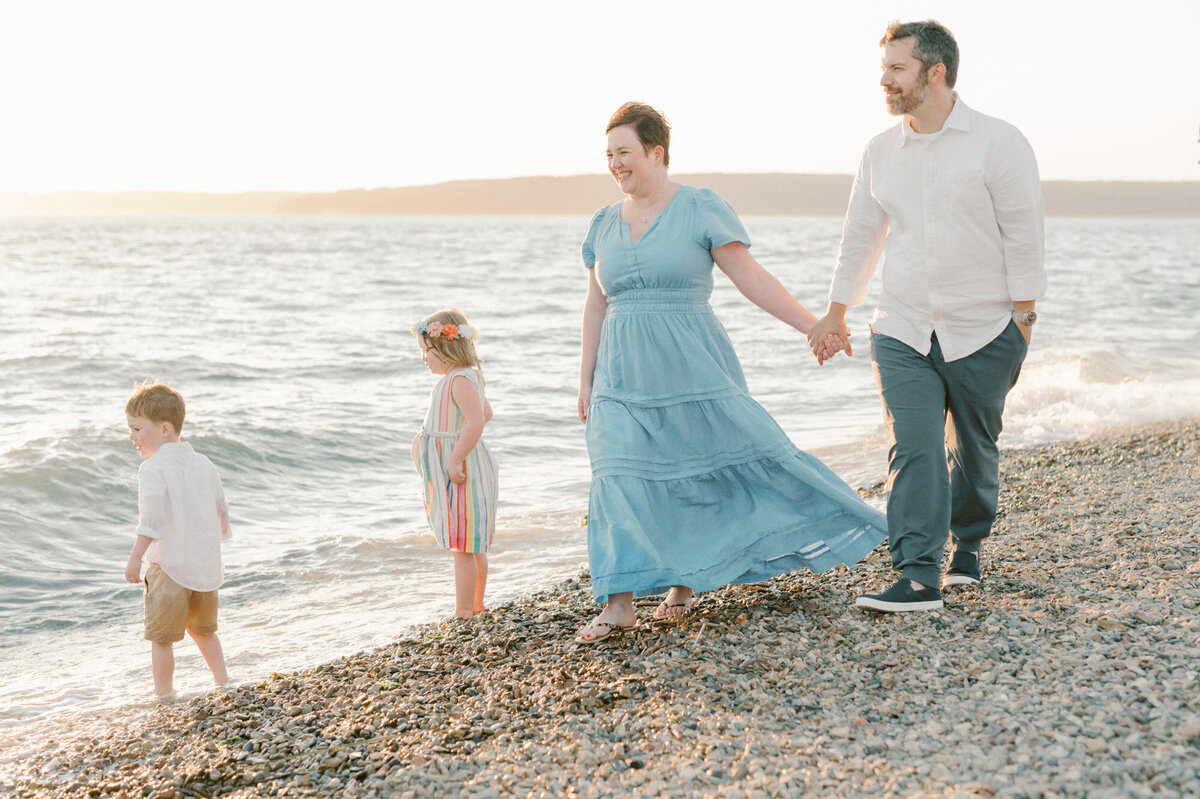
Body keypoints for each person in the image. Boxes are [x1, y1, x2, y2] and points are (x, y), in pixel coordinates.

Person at [575, 101, 888, 644]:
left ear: (657, 153)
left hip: (692, 364)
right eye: (608, 155)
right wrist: (585, 380)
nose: (615, 164)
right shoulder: (603, 224)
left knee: (705, 468)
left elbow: (752, 279)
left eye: (624, 152)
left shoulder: (700, 207)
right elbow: (596, 306)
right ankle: (618, 601)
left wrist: (814, 325)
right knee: (616, 476)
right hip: (620, 375)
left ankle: (685, 582)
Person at [808, 20, 1046, 612]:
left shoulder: (999, 141)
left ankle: (968, 544)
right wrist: (836, 312)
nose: (884, 80)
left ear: (935, 72)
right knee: (912, 446)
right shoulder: (879, 151)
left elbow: (1024, 234)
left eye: (896, 68)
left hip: (986, 327)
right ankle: (917, 576)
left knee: (974, 446)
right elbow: (860, 236)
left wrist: (1022, 320)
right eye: (884, 67)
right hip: (901, 327)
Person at [124, 382, 232, 697]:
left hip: (169, 566)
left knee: (161, 638)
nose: (132, 437)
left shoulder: (152, 468)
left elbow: (151, 522)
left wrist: (135, 558)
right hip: (203, 568)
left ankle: (164, 695)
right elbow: (220, 509)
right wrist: (219, 535)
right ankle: (223, 681)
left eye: (137, 429)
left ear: (165, 429)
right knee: (205, 631)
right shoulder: (204, 463)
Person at [410, 309, 498, 619]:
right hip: (462, 462)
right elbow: (485, 413)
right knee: (470, 540)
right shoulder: (466, 376)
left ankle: (464, 610)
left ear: (447, 347)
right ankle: (475, 605)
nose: (424, 358)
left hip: (462, 468)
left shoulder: (458, 380)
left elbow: (476, 421)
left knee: (462, 544)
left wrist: (455, 455)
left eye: (427, 351)